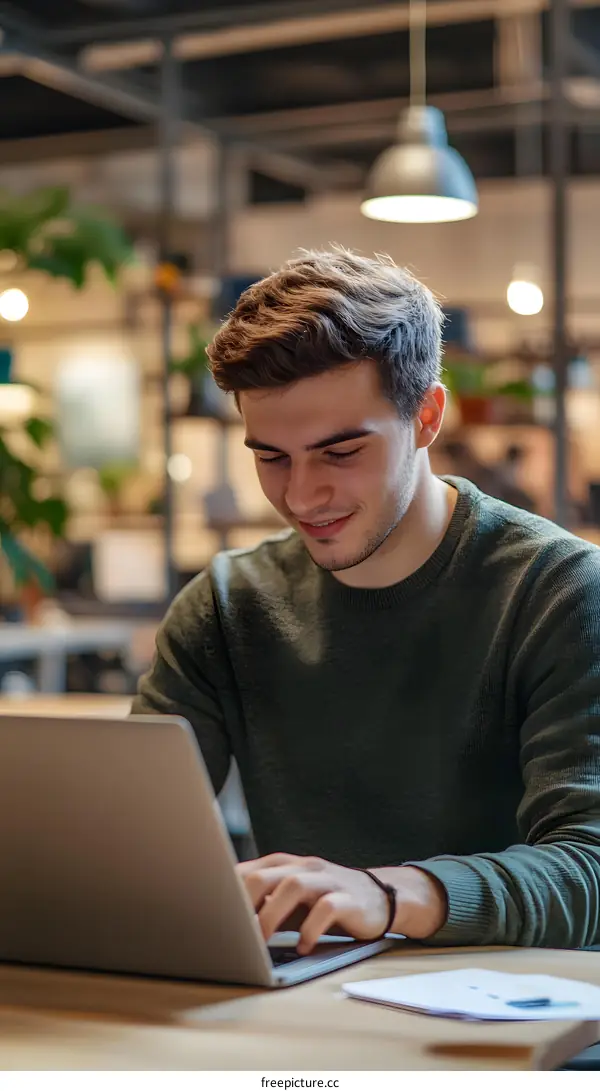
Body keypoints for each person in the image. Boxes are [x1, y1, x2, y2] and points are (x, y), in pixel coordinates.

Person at [133, 247, 600, 955]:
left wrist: (385, 894)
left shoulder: (560, 592)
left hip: (516, 1032)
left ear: (427, 416)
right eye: (271, 457)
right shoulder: (225, 606)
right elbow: (133, 842)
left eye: (340, 452)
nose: (300, 495)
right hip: (307, 1007)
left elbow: (589, 871)